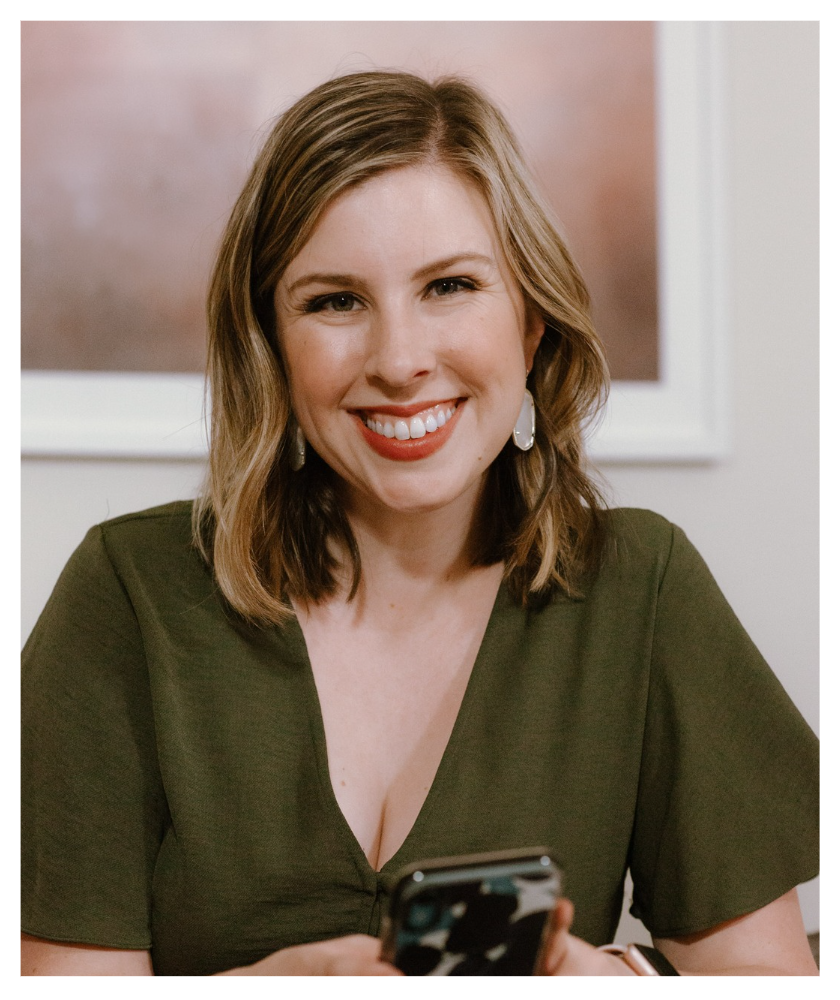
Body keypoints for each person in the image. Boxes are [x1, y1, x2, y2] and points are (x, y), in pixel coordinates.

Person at [21, 71, 818, 976]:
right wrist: (264, 989)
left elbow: (768, 983)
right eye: (335, 301)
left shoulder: (642, 586)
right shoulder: (129, 595)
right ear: (270, 345)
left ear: (531, 323)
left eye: (450, 285)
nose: (399, 361)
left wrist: (614, 982)